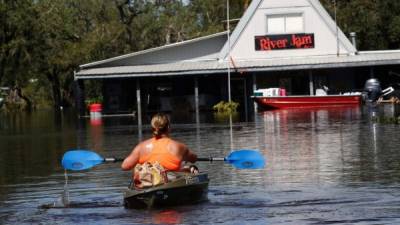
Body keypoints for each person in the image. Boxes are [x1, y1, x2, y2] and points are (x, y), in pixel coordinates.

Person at [121, 113, 198, 173]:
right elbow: (194, 159)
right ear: (168, 127)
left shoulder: (141, 147)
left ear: (153, 128)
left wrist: (139, 161)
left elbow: (125, 166)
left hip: (149, 182)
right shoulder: (179, 147)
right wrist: (184, 157)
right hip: (171, 182)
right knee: (191, 168)